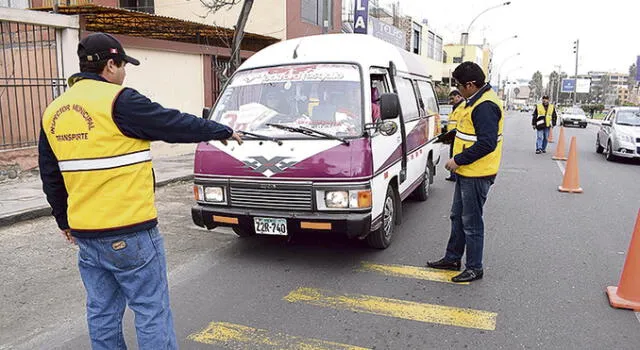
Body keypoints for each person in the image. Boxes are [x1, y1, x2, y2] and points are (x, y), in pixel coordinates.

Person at [38, 33, 242, 349]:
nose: (124, 73)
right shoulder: (119, 101)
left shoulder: (53, 111)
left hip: (87, 234)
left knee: (101, 312)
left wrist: (64, 221)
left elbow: (50, 175)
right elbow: (172, 123)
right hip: (130, 233)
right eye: (123, 65)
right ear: (110, 65)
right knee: (150, 310)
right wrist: (220, 130)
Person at [426, 62, 503, 283]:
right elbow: (468, 132)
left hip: (477, 173)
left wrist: (457, 159)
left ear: (471, 84)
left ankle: (474, 267)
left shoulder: (485, 106)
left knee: (471, 221)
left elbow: (487, 143)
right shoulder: (474, 101)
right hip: (467, 172)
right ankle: (452, 258)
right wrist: (446, 138)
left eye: (459, 85)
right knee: (457, 217)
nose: (457, 90)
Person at [444, 90, 465, 182]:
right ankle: (453, 175)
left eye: (452, 98)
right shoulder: (456, 107)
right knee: (452, 154)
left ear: (458, 97)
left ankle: (455, 174)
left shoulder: (462, 107)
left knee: (455, 154)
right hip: (453, 135)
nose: (451, 100)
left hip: (457, 135)